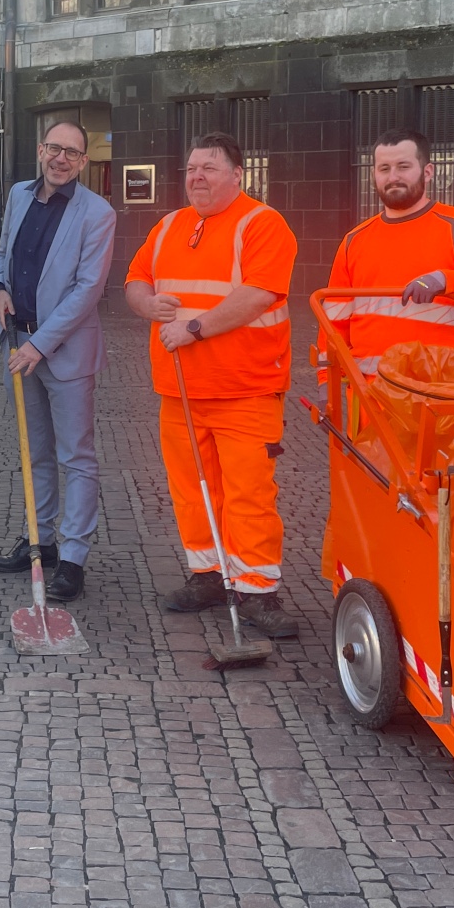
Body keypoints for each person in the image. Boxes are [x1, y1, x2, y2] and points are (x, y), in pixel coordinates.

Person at [125, 133, 301, 636]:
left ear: (238, 175)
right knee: (192, 491)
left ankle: (256, 591)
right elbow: (136, 279)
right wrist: (146, 304)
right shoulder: (168, 226)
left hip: (245, 389)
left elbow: (258, 294)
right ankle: (208, 576)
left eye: (210, 168)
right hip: (179, 390)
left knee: (249, 494)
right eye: (191, 169)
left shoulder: (262, 223)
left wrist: (194, 328)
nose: (197, 177)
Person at [0, 120, 117, 601]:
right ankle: (40, 542)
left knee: (76, 457)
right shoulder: (19, 194)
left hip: (63, 353)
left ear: (84, 162)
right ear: (41, 150)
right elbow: (2, 252)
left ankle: (74, 558)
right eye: (54, 149)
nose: (61, 159)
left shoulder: (97, 213)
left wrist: (40, 345)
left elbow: (89, 291)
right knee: (33, 451)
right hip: (14, 341)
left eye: (72, 153)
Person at [321, 128, 454, 374]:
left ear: (428, 171)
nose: (393, 177)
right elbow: (334, 321)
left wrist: (449, 281)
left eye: (403, 166)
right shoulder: (354, 240)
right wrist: (327, 379)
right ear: (373, 174)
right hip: (370, 395)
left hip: (442, 393)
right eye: (384, 168)